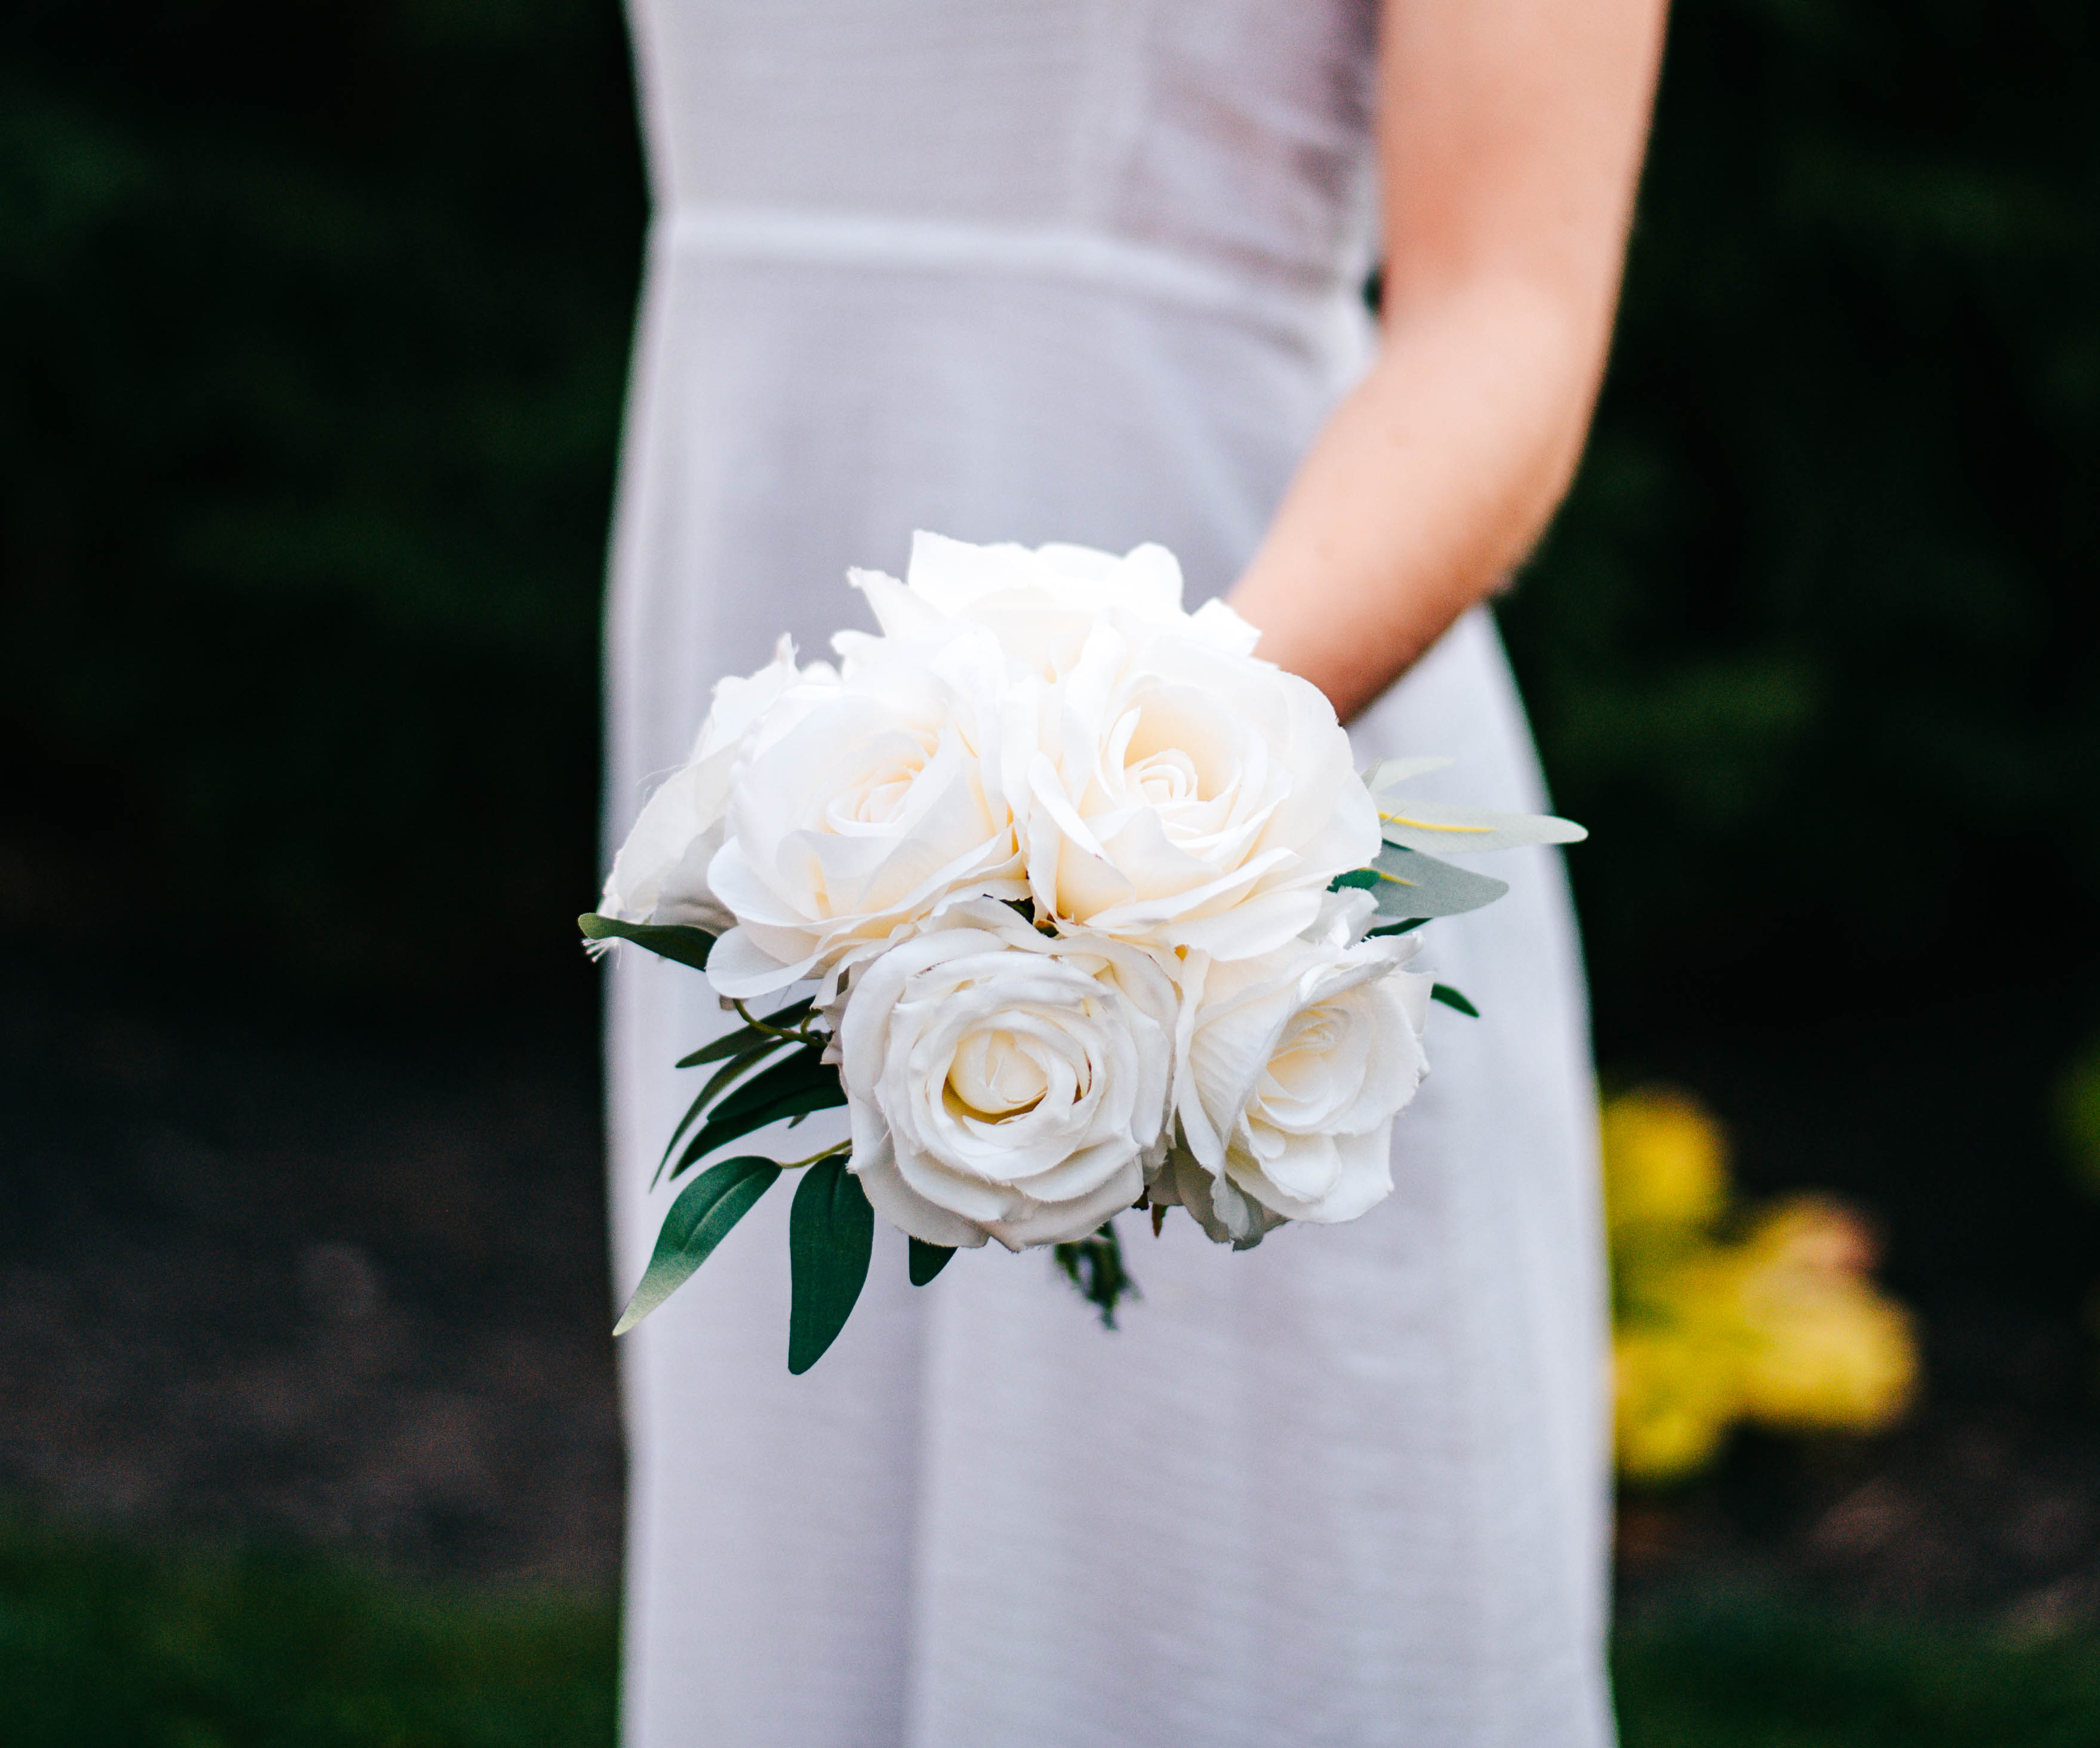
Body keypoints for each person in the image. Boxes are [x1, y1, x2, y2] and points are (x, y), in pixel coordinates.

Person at [603, 1, 1666, 1742]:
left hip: (1242, 759)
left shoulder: (1179, 789)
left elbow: (1510, 313)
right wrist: (861, 842)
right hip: (782, 758)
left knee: (1225, 1612)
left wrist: (1101, 812)